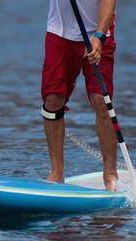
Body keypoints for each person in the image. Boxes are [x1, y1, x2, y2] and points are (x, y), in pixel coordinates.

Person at [41, 0, 118, 191]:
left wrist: (99, 36)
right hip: (59, 33)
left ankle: (110, 174)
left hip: (98, 35)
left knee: (101, 100)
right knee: (52, 100)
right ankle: (57, 173)